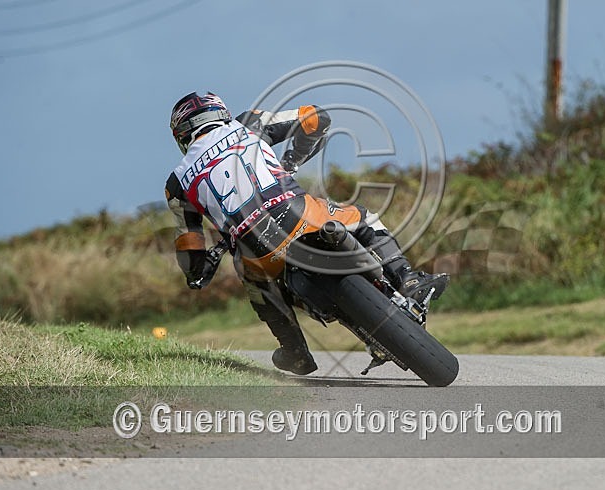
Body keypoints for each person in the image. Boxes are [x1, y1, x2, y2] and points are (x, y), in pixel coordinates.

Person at [164, 91, 448, 375]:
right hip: (300, 214)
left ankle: (295, 352)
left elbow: (189, 247)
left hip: (255, 250)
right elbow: (316, 118)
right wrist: (290, 162)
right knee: (363, 217)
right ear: (221, 114)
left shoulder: (176, 183)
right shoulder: (249, 124)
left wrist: (198, 273)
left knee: (258, 289)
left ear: (182, 135)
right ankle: (407, 278)